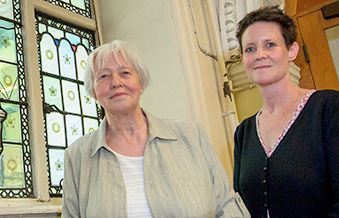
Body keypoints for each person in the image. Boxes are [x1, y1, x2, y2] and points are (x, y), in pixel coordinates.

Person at [62, 40, 249, 218]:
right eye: (103, 76)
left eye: (125, 73)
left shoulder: (191, 135)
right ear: (94, 91)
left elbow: (227, 205)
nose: (116, 82)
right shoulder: (77, 156)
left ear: (140, 83)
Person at [232, 6, 339, 218]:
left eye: (270, 45)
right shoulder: (244, 132)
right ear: (243, 59)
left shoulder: (330, 109)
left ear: (292, 51)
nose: (259, 55)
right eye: (250, 49)